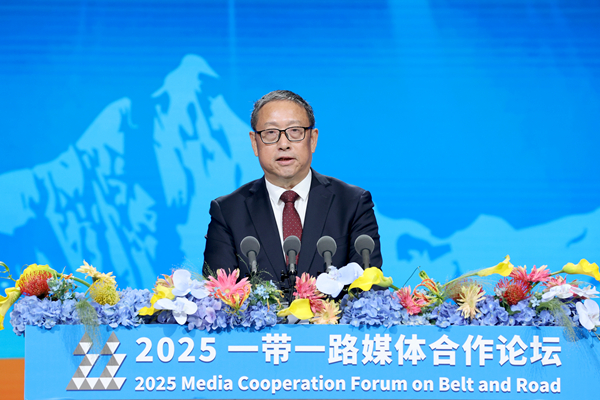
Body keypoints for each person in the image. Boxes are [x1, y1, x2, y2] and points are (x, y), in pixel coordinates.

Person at [203, 90, 382, 282]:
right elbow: (219, 293)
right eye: (271, 133)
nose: (284, 144)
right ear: (255, 143)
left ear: (312, 139)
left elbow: (369, 290)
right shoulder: (228, 212)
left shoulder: (352, 204)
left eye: (295, 131)